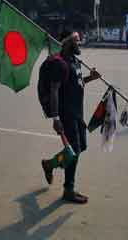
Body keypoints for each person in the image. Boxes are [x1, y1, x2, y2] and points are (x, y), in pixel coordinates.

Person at [41, 31, 101, 203]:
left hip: (77, 112)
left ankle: (50, 164)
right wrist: (56, 118)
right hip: (66, 114)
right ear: (67, 42)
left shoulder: (75, 61)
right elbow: (54, 90)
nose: (80, 42)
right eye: (76, 40)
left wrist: (91, 78)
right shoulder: (59, 64)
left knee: (80, 147)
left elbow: (77, 82)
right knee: (74, 151)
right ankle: (69, 189)